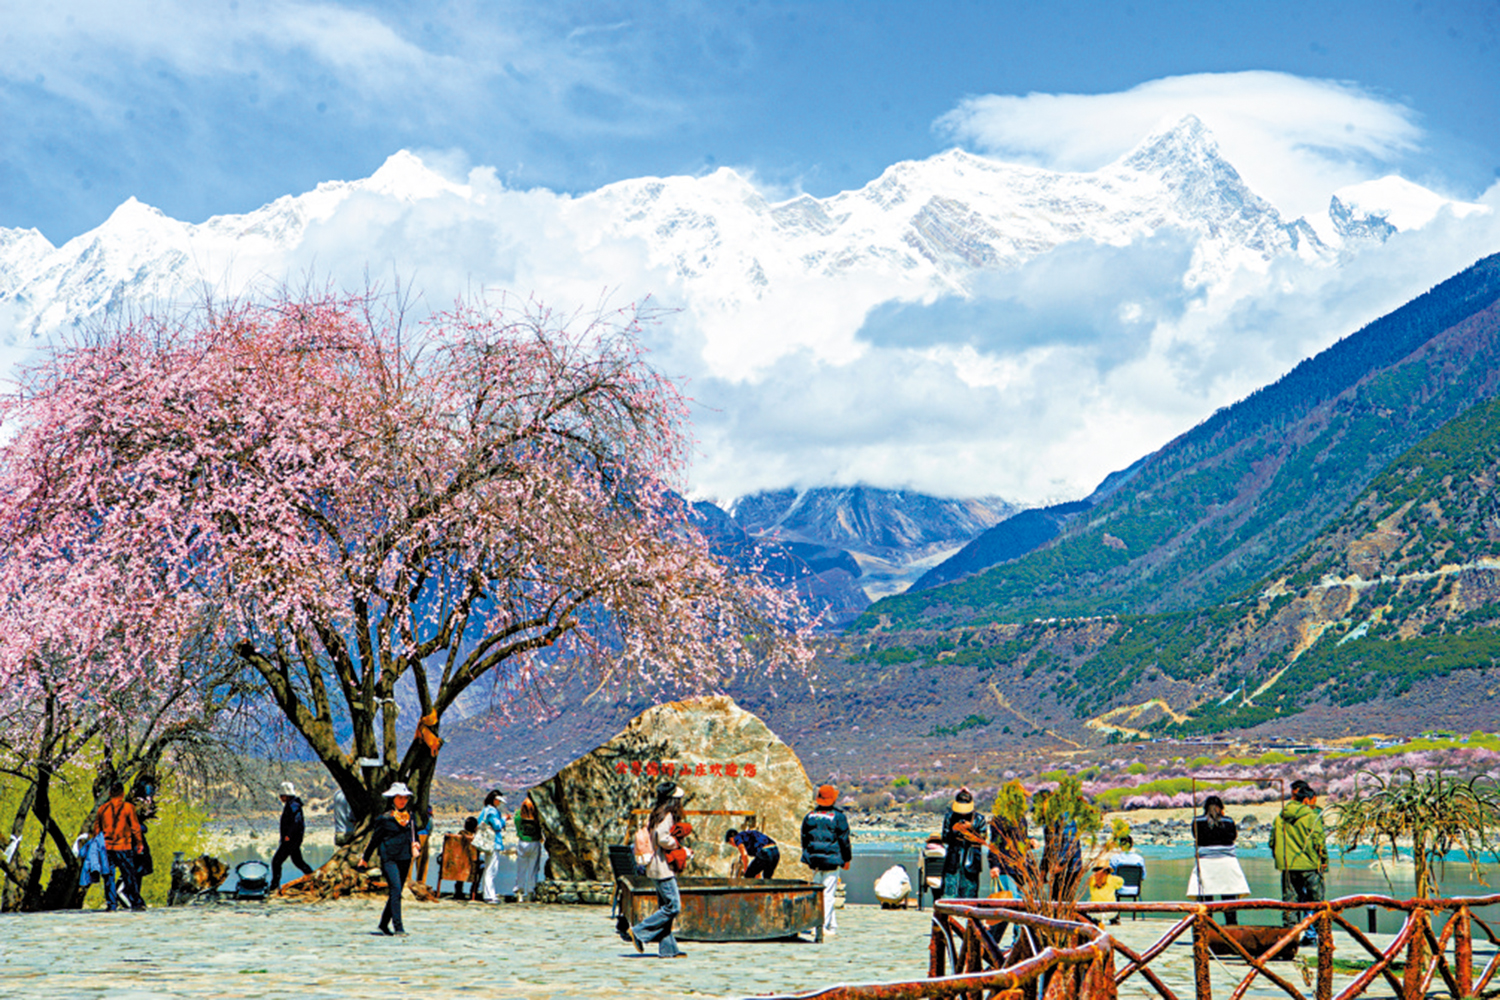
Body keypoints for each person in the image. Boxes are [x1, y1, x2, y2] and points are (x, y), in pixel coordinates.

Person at [624, 782, 689, 958]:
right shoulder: (668, 815)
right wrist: (677, 844)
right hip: (662, 867)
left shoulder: (656, 813)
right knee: (673, 906)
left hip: (655, 866)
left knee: (665, 906)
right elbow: (662, 837)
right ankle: (638, 932)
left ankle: (669, 949)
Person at [1272, 779, 1328, 943]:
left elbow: (1272, 841)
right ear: (1306, 800)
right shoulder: (1311, 816)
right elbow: (1319, 840)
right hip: (1311, 865)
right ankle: (1320, 937)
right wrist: (1323, 859)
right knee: (1317, 902)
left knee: (1290, 903)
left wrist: (1281, 858)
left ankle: (1290, 938)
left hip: (1288, 867)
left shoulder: (1280, 817)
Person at [360, 781, 419, 935]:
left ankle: (383, 924)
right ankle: (398, 927)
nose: (403, 801)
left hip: (405, 857)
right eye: (399, 797)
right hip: (389, 858)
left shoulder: (411, 817)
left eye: (405, 798)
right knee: (395, 889)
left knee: (396, 892)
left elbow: (415, 835)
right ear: (393, 798)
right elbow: (374, 840)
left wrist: (416, 845)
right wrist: (364, 858)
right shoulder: (384, 819)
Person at [1188, 795, 1250, 925]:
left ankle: (1206, 929)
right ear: (1222, 808)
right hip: (1227, 862)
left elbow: (1196, 837)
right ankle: (1231, 928)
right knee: (1228, 900)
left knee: (1205, 900)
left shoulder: (1197, 821)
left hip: (1205, 862)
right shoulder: (1228, 821)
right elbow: (1233, 837)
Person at [801, 784, 852, 937]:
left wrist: (808, 856)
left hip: (815, 860)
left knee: (818, 892)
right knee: (828, 893)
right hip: (832, 859)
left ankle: (831, 925)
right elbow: (844, 840)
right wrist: (846, 859)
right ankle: (820, 926)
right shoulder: (838, 817)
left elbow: (804, 838)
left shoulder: (809, 816)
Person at [94, 780, 145, 912]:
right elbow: (135, 827)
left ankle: (111, 905)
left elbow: (96, 830)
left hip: (107, 847)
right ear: (122, 794)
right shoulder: (128, 808)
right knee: (129, 875)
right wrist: (139, 843)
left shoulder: (102, 809)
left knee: (108, 877)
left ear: (110, 793)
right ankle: (136, 903)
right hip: (123, 846)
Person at [269, 781, 314, 892]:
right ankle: (312, 877)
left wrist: (288, 835)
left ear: (286, 795)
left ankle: (274, 886)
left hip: (290, 840)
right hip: (294, 839)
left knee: (277, 861)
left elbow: (296, 822)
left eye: (281, 796)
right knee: (298, 861)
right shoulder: (293, 805)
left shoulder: (293, 806)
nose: (280, 798)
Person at [941, 788, 984, 899]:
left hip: (971, 861)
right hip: (953, 860)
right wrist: (954, 831)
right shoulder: (949, 818)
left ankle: (969, 915)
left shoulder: (979, 819)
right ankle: (949, 914)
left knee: (970, 892)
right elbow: (945, 838)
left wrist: (972, 828)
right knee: (949, 891)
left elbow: (982, 839)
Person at [477, 789, 508, 904]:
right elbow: (497, 825)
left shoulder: (485, 810)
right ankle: (490, 895)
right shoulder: (493, 812)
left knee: (488, 869)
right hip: (493, 842)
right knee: (492, 870)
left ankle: (487, 893)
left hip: (486, 843)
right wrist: (504, 820)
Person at [513, 791, 543, 901]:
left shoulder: (519, 816)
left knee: (521, 868)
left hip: (522, 842)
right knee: (533, 868)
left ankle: (519, 890)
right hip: (535, 842)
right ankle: (531, 890)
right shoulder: (537, 815)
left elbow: (516, 822)